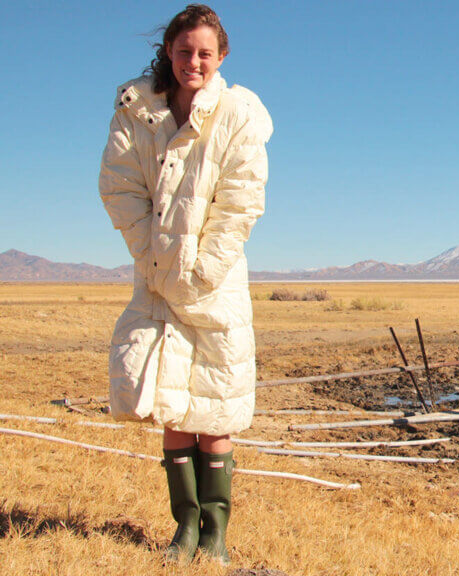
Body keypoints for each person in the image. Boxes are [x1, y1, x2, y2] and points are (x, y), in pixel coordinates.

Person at [99, 4, 272, 565]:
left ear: (221, 57)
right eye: (183, 50)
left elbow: (241, 202)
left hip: (215, 284)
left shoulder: (238, 114)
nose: (192, 61)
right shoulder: (137, 111)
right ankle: (185, 528)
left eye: (204, 52)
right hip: (154, 279)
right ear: (167, 52)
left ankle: (216, 534)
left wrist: (201, 271)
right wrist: (153, 257)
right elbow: (120, 188)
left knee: (216, 412)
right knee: (171, 407)